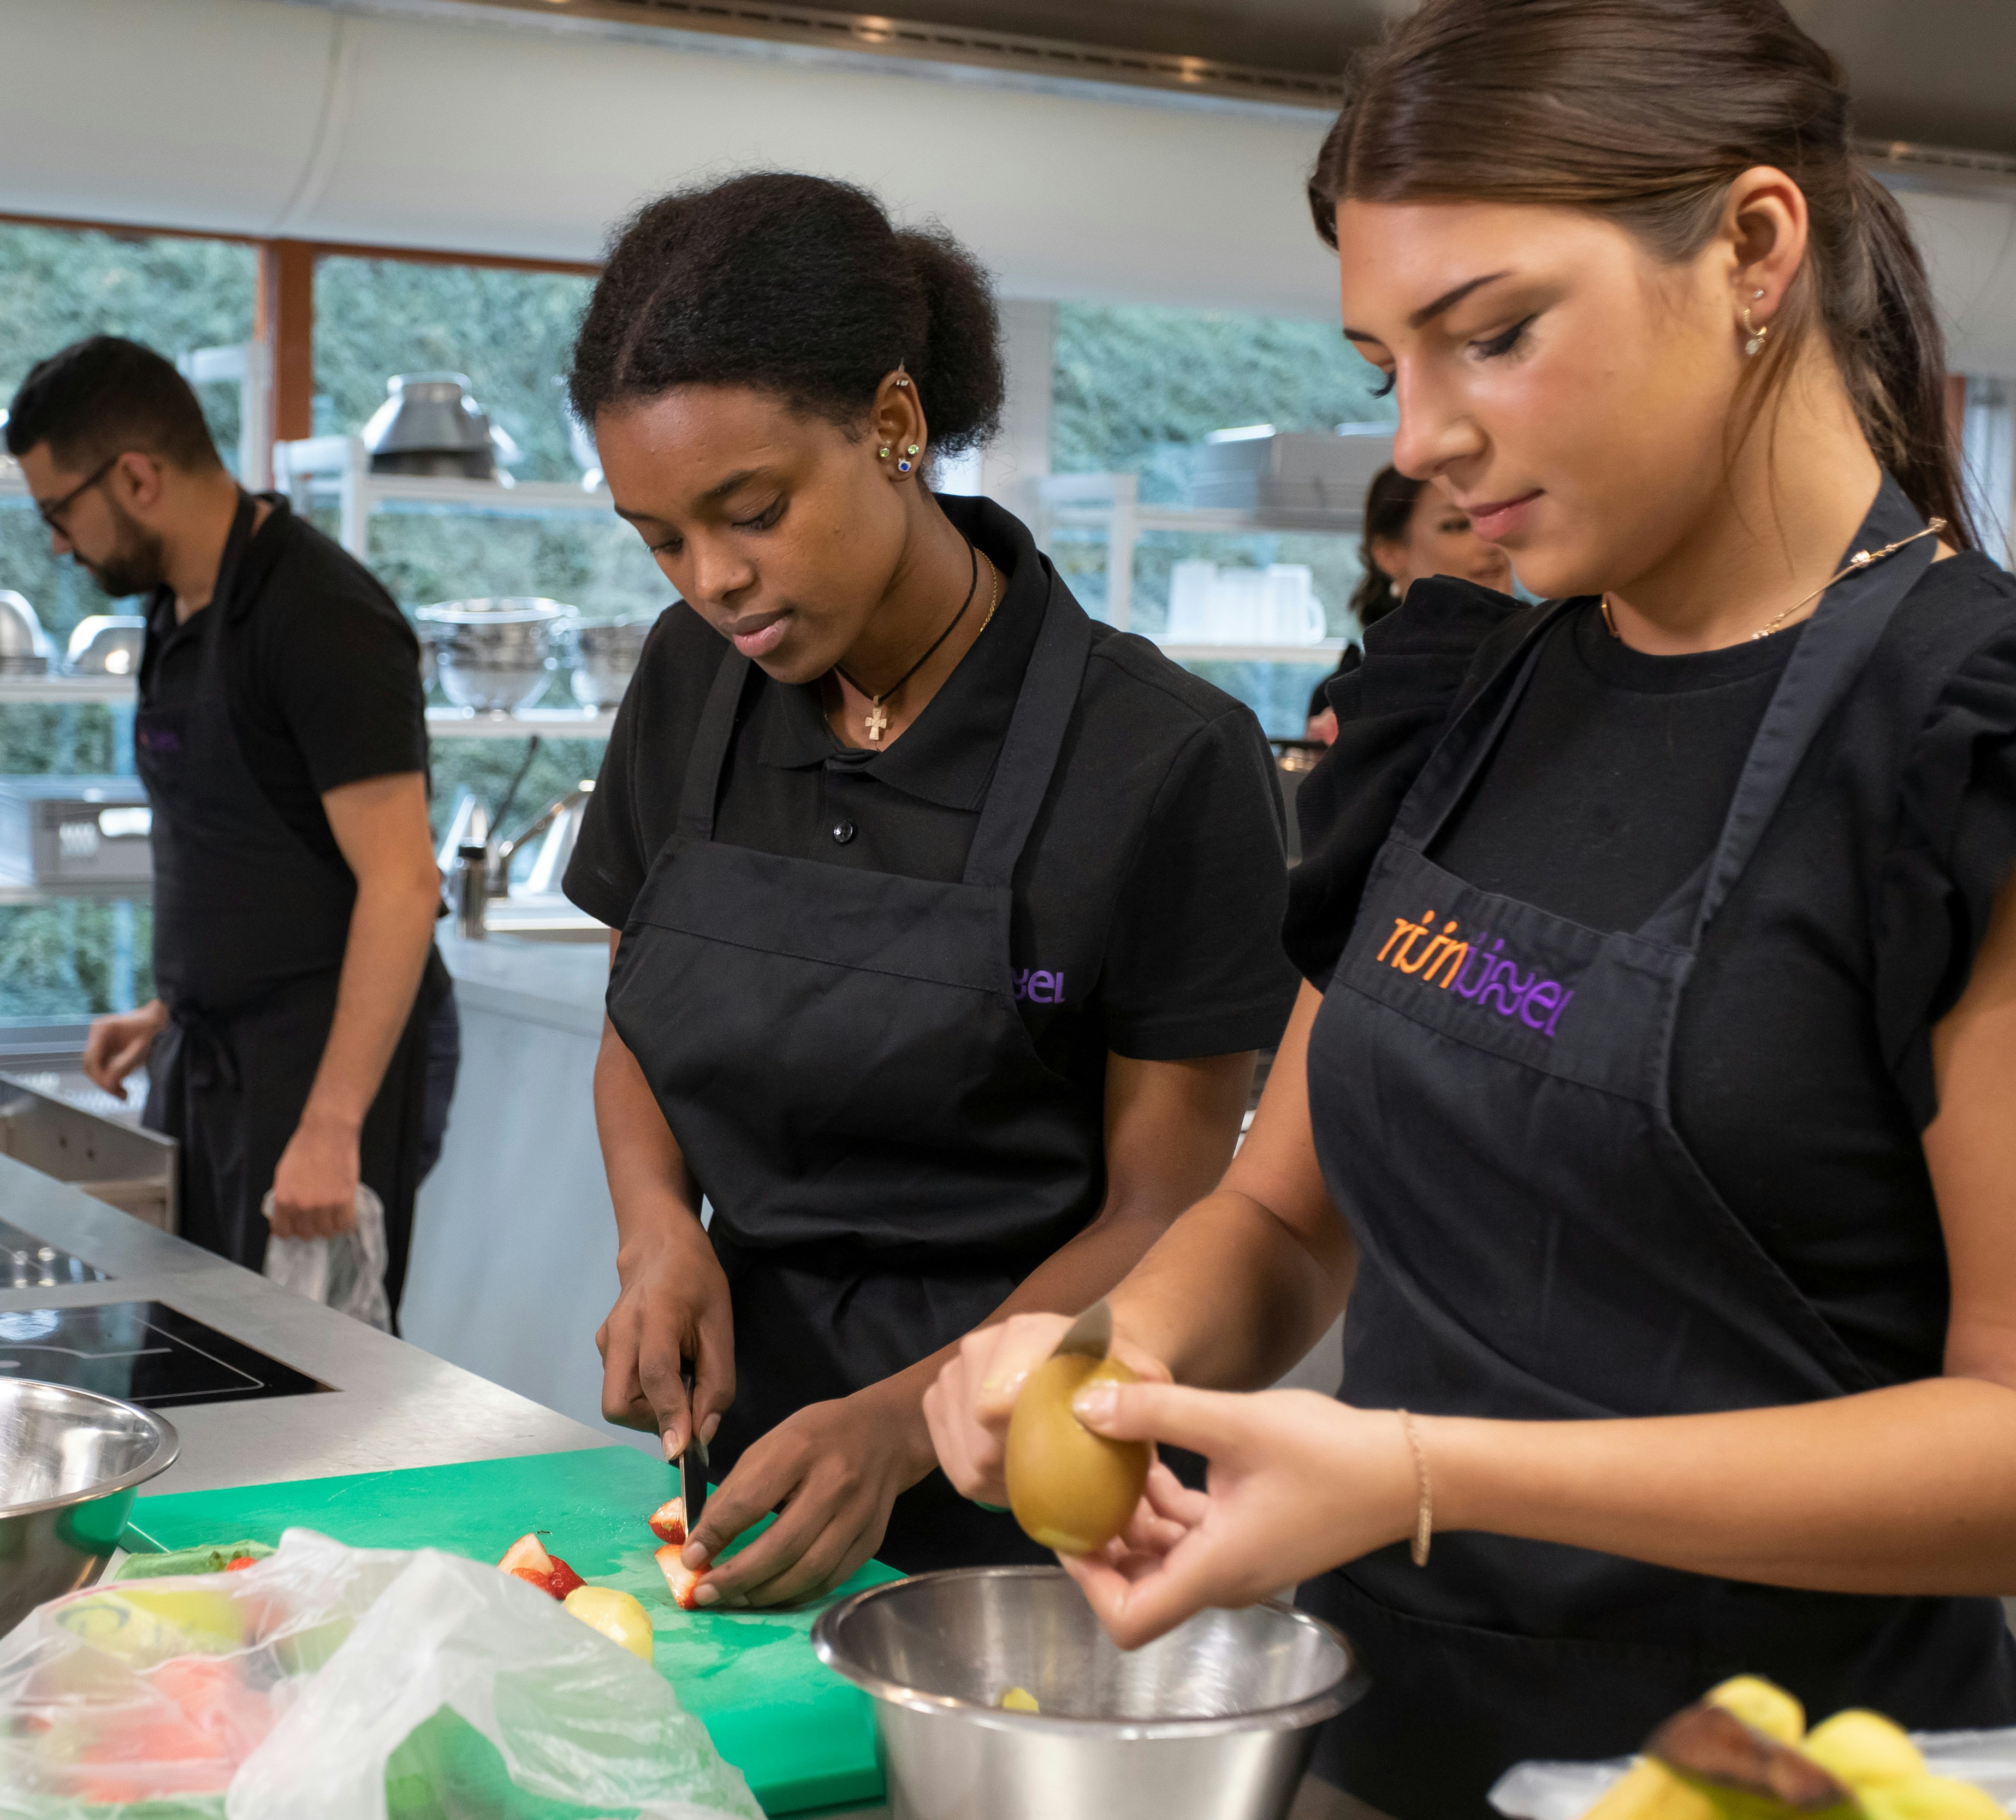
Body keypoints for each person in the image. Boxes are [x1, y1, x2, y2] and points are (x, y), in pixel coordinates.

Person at [922, 1, 2016, 1811]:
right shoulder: (1469, 703)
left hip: (1775, 1775)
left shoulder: (1959, 740)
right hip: (1381, 1744)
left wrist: (1426, 1470)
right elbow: (1282, 1220)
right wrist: (1110, 1362)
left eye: (1492, 336)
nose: (1423, 437)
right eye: (1384, 368)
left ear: (1752, 246)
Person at [560, 173, 1297, 1610]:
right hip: (752, 1454)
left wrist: (909, 1419)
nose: (713, 578)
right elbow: (639, 1017)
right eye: (660, 536)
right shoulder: (688, 679)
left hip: (1043, 1481)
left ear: (894, 427)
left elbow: (1167, 1205)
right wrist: (656, 1228)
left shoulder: (1160, 754)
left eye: (751, 509)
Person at [7, 338, 449, 1312]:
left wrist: (332, 1124)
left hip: (316, 1064)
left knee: (309, 1397)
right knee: (189, 1357)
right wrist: (174, 1004)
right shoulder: (176, 610)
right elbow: (253, 846)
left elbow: (402, 882)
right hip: (208, 1055)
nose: (57, 544)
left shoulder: (323, 617)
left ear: (135, 476)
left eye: (58, 513)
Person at [1304, 464, 1510, 744]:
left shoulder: (1552, 656)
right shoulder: (1351, 696)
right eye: (1457, 525)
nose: (1491, 542)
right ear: (1389, 553)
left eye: (1495, 518)